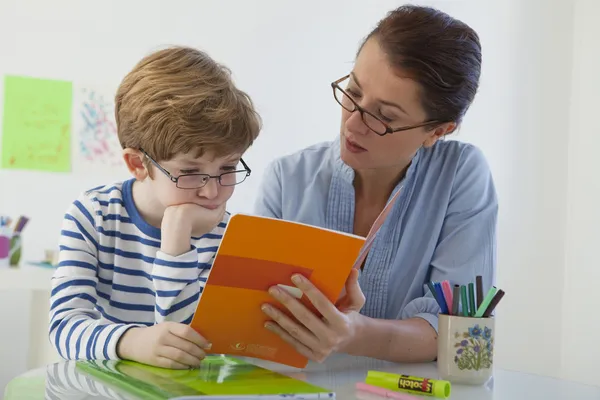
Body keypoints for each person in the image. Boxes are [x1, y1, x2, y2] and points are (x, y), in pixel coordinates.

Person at [254, 5, 497, 364]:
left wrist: (355, 334)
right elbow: (255, 321)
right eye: (353, 92)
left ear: (438, 131)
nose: (353, 123)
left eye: (385, 116)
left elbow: (457, 332)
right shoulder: (287, 179)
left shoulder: (460, 176)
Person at [48, 46, 261, 369]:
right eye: (190, 172)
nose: (212, 191)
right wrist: (133, 341)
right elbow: (64, 327)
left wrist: (177, 241)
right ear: (137, 163)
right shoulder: (92, 215)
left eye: (228, 168)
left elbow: (195, 342)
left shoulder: (229, 235)